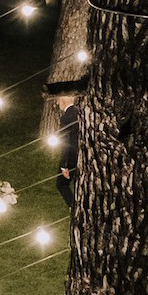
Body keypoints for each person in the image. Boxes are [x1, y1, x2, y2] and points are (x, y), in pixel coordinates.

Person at [48, 76, 84, 206]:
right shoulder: (79, 112)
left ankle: (74, 206)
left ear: (62, 101)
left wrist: (64, 165)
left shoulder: (65, 118)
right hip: (82, 152)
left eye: (58, 100)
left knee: (61, 184)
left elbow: (65, 142)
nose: (57, 103)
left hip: (71, 156)